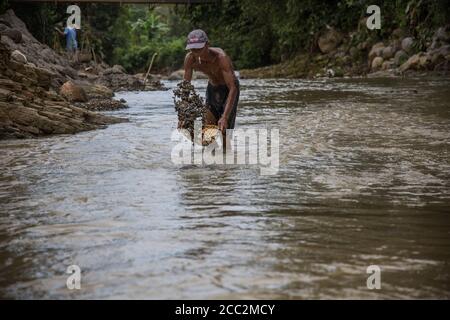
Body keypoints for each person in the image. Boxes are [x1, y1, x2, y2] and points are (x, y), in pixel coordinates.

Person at [182, 29, 240, 138]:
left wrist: (225, 117)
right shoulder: (190, 59)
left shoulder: (221, 58)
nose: (196, 52)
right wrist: (183, 114)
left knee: (224, 134)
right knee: (207, 133)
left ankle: (225, 152)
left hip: (229, 90)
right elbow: (185, 87)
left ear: (207, 45)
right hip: (212, 89)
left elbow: (233, 88)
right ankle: (212, 153)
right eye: (193, 49)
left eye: (199, 48)